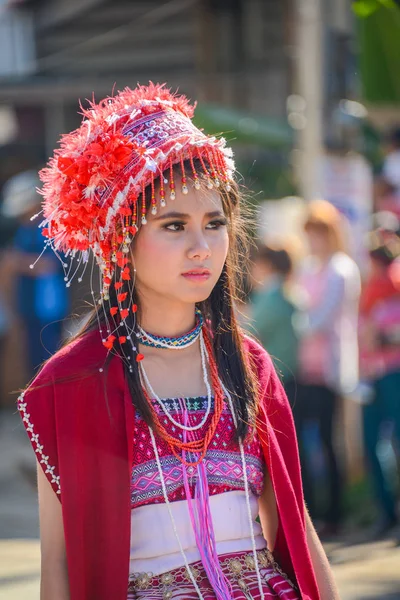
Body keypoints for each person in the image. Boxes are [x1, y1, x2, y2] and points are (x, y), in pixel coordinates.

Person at [18, 84, 339, 600]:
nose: (201, 247)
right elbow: (58, 565)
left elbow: (295, 526)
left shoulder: (249, 365)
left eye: (215, 224)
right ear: (120, 240)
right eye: (174, 225)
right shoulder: (70, 384)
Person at [293, 200, 361, 536]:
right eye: (310, 234)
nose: (314, 240)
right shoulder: (308, 267)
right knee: (303, 444)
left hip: (330, 369)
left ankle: (334, 513)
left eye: (318, 233)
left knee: (328, 440)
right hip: (302, 368)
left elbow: (322, 317)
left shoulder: (341, 268)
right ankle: (312, 513)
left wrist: (294, 323)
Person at [1, 170, 68, 377]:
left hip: (49, 308)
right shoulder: (24, 230)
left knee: (51, 358)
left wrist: (16, 262)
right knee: (33, 362)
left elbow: (49, 264)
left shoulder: (51, 228)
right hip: (28, 307)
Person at [359, 226, 400, 536]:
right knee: (374, 444)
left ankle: (389, 513)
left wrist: (383, 337)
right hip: (374, 375)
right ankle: (386, 512)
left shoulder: (391, 284)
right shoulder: (372, 289)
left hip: (392, 373)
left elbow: (383, 336)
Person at [249, 243, 299, 404]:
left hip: (277, 374)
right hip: (289, 371)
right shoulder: (285, 292)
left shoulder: (271, 296)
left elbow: (250, 331)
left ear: (266, 265)